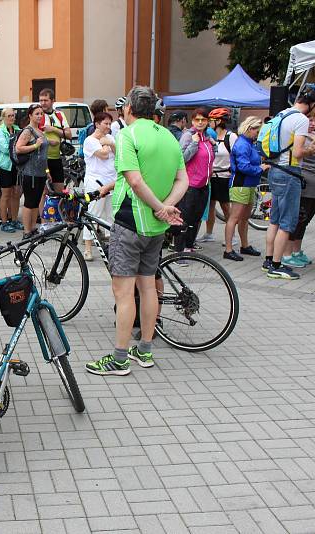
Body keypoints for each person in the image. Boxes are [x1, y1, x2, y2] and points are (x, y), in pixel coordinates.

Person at [86, 86, 188, 377]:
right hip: (156, 227)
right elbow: (184, 179)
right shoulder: (168, 135)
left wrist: (158, 206)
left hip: (131, 222)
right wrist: (166, 207)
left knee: (123, 292)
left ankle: (119, 358)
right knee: (148, 287)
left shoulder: (128, 135)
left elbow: (134, 180)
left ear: (129, 107)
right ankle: (144, 350)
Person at [262, 83, 315, 280]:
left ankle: (268, 260)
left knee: (274, 219)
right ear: (313, 102)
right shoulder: (301, 120)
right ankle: (277, 266)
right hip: (289, 172)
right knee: (287, 223)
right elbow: (297, 152)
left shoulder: (282, 114)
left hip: (275, 170)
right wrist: (310, 151)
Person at [283, 108, 315, 268]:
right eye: (309, 120)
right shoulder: (299, 136)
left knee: (305, 221)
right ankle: (287, 253)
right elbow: (297, 154)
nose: (312, 123)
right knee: (298, 219)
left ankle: (297, 251)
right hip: (305, 185)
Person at [224, 117, 268, 261]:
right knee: (234, 218)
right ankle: (228, 250)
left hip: (248, 185)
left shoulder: (249, 143)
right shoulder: (243, 144)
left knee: (244, 218)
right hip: (240, 185)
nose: (258, 134)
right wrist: (260, 168)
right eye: (257, 130)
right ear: (250, 129)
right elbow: (243, 167)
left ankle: (244, 245)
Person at [175, 107, 216, 253]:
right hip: (190, 185)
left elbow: (210, 157)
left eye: (203, 120)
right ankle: (178, 250)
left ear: (207, 121)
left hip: (204, 185)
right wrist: (193, 143)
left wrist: (213, 145)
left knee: (196, 218)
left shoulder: (207, 137)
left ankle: (189, 246)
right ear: (192, 121)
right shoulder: (189, 135)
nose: (200, 122)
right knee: (184, 217)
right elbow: (181, 159)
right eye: (197, 119)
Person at [15, 103, 53, 238]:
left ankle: (32, 228)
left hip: (41, 172)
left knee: (36, 201)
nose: (39, 116)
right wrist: (35, 145)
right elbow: (18, 148)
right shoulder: (28, 131)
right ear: (30, 115)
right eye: (37, 114)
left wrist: (48, 171)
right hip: (29, 172)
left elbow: (44, 155)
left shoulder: (40, 131)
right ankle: (26, 231)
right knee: (29, 202)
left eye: (41, 114)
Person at [82, 112, 116, 260]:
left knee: (112, 215)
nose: (108, 126)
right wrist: (108, 146)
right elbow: (103, 155)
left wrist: (109, 143)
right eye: (105, 123)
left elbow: (118, 152)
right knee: (93, 214)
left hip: (111, 181)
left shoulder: (110, 138)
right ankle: (88, 249)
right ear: (97, 124)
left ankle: (115, 248)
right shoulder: (90, 140)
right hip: (95, 182)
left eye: (109, 124)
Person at [199, 108, 236, 243]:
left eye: (211, 121)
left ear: (219, 121)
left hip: (224, 176)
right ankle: (209, 234)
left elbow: (236, 156)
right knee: (210, 206)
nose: (208, 123)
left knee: (226, 207)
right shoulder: (209, 135)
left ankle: (231, 235)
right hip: (210, 176)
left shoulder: (230, 137)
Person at [39, 88, 71, 192]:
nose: (43, 103)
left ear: (53, 101)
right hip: (42, 159)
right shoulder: (38, 115)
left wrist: (53, 129)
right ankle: (41, 209)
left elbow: (68, 135)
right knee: (43, 193)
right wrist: (48, 140)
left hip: (57, 158)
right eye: (41, 100)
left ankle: (57, 208)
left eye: (46, 100)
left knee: (59, 190)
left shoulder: (59, 115)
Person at [0, 108, 22, 232]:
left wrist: (19, 147)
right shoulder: (0, 131)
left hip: (16, 165)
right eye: (9, 116)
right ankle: (4, 222)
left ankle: (14, 219)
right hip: (5, 166)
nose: (12, 118)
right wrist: (19, 147)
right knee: (6, 194)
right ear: (4, 117)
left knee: (16, 193)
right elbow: (6, 149)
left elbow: (24, 143)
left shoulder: (17, 129)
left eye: (13, 115)